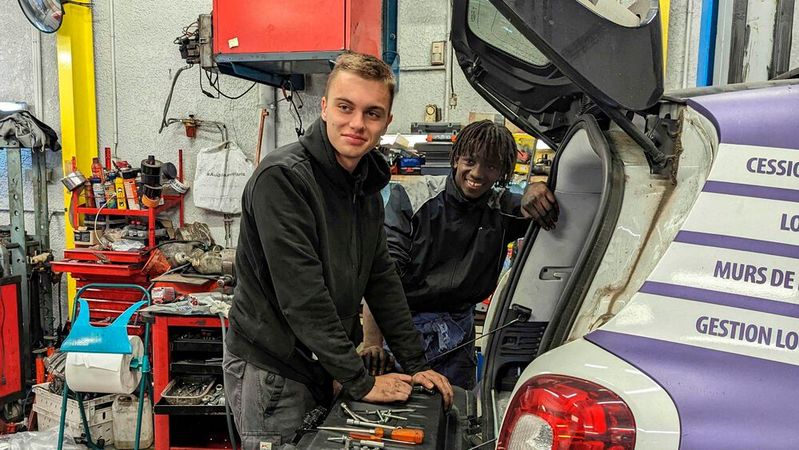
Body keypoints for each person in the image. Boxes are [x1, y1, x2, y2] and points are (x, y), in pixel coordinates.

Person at [224, 51, 453, 449]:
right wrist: (360, 381)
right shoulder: (283, 180)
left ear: (387, 122)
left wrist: (416, 365)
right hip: (273, 369)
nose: (357, 124)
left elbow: (380, 277)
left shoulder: (362, 182)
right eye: (346, 107)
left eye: (372, 113)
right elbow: (303, 297)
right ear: (325, 107)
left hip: (319, 360)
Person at [361, 120, 559, 390]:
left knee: (456, 416)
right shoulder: (412, 198)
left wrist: (534, 189)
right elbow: (381, 277)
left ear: (502, 171)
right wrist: (373, 342)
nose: (477, 173)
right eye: (470, 161)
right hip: (402, 330)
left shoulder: (501, 208)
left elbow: (531, 206)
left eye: (490, 166)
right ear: (456, 158)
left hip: (458, 337)